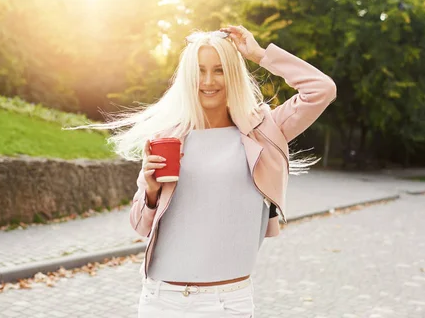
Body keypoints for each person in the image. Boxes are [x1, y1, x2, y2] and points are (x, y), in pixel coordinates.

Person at [78, 25, 336, 317]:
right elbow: (140, 226)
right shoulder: (168, 139)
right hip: (164, 300)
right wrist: (149, 191)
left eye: (219, 70)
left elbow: (322, 89)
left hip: (228, 303)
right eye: (200, 71)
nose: (209, 81)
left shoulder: (263, 131)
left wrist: (260, 54)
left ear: (233, 74)